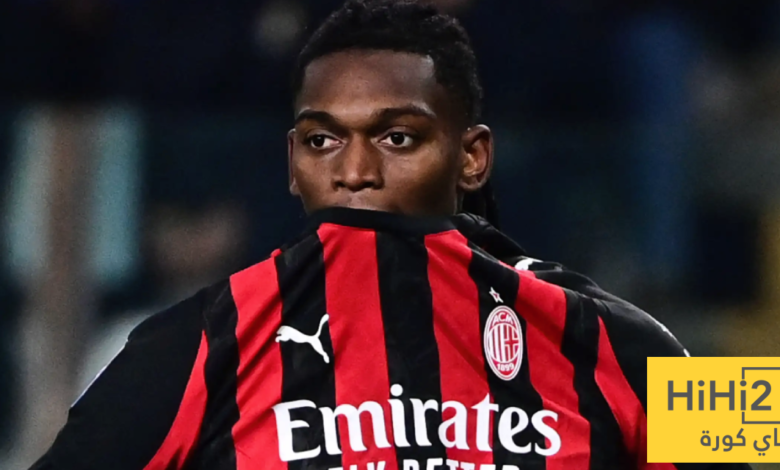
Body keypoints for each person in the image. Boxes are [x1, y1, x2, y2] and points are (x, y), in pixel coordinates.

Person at [30, 1, 748, 469]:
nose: (356, 170)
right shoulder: (194, 341)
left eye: (398, 137)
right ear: (292, 165)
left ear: (472, 157)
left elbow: (747, 430)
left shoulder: (616, 336)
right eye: (323, 141)